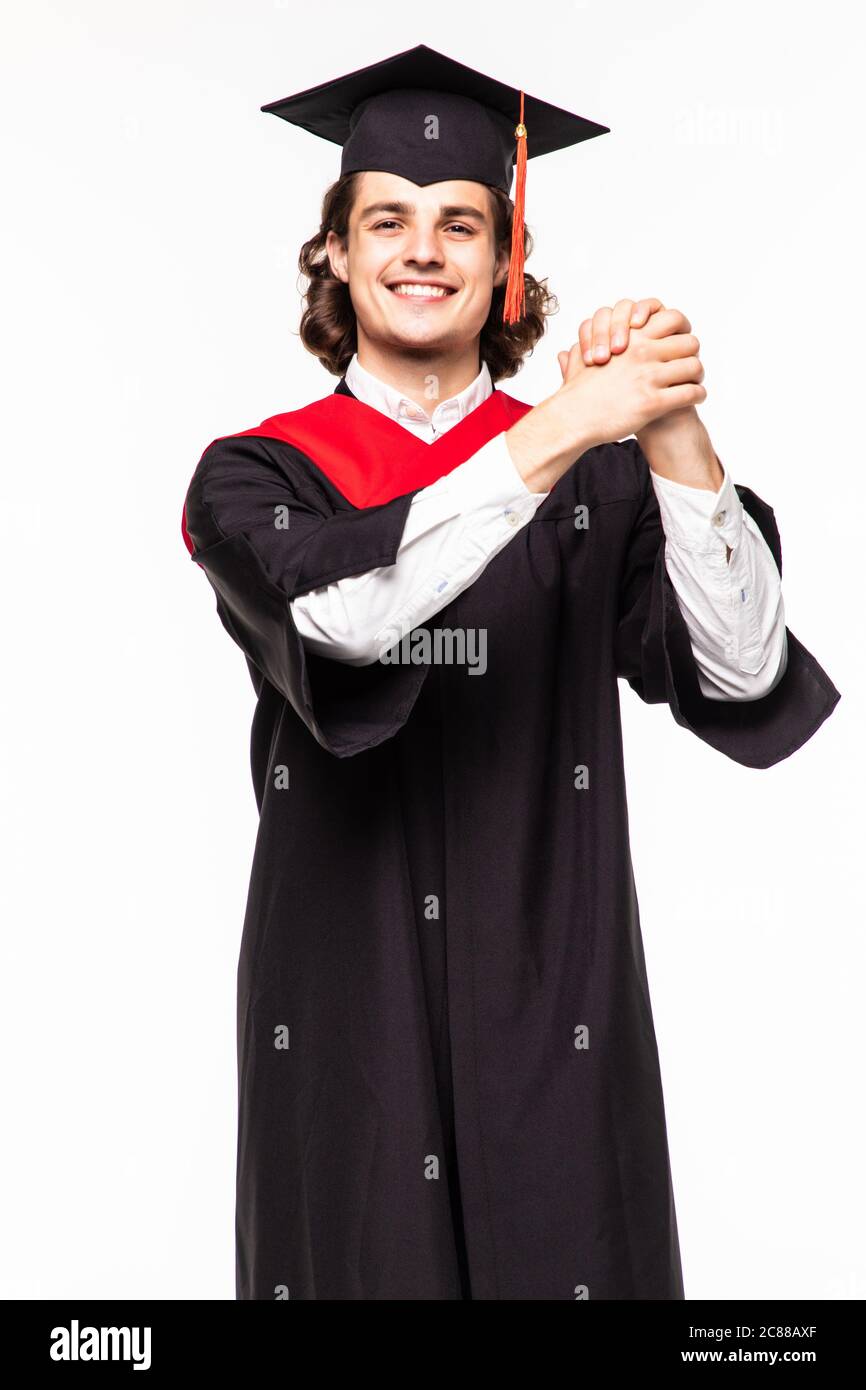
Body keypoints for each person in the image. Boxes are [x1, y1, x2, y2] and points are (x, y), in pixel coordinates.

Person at [182, 45, 840, 1300]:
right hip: (343, 1003)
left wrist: (668, 434)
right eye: (388, 219)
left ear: (505, 260)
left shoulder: (602, 472)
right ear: (333, 251)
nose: (422, 248)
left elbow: (746, 670)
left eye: (460, 222)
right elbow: (347, 618)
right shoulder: (253, 477)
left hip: (556, 994)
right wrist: (559, 430)